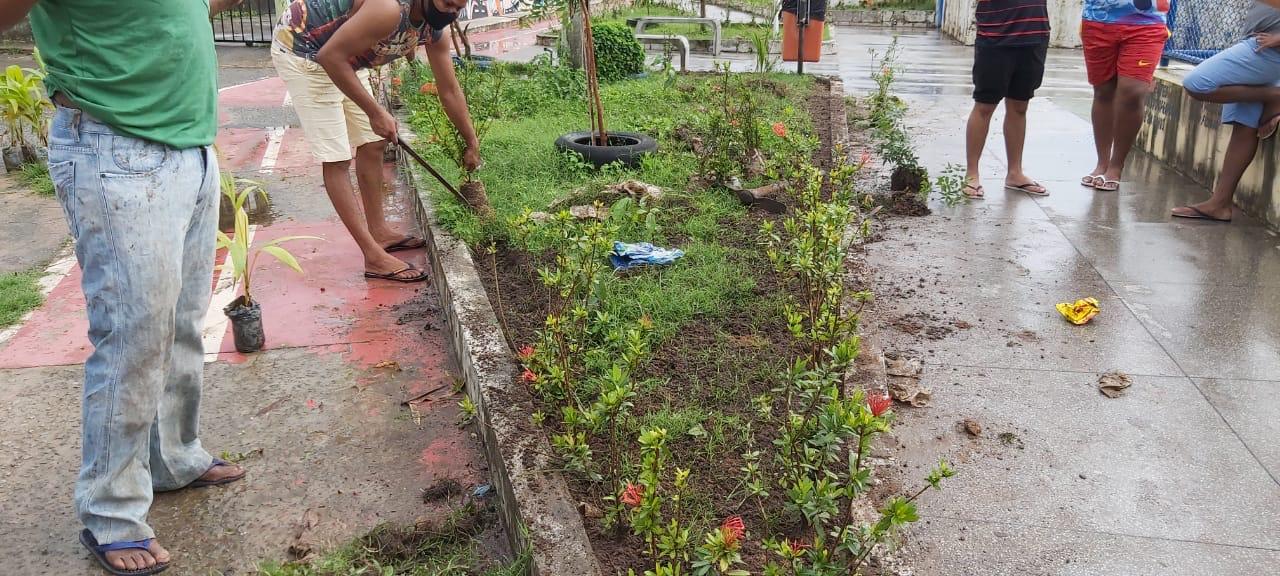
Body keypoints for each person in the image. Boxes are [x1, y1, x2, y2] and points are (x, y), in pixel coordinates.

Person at [1, 0, 248, 574]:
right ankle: (111, 513)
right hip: (115, 145)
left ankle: (173, 458)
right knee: (133, 338)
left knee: (181, 324)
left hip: (189, 147)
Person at [272, 0, 479, 283]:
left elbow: (450, 90)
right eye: (447, 3)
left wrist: (471, 140)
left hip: (344, 53)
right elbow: (330, 57)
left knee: (373, 142)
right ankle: (373, 256)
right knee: (337, 157)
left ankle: (379, 232)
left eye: (458, 8)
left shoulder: (434, 30)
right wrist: (375, 112)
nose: (451, 13)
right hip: (305, 49)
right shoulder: (389, 10)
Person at [1172, 1, 1280, 223]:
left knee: (1196, 83)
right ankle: (1220, 204)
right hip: (1262, 45)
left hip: (1268, 50)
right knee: (1245, 125)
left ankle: (1274, 95)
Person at [962, 0, 1052, 199]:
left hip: (1034, 34)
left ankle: (1015, 173)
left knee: (1020, 106)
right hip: (996, 36)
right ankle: (972, 174)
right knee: (985, 105)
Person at [1080, 0, 1170, 192]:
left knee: (1132, 92)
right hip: (1098, 18)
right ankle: (1102, 163)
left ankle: (1116, 166)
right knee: (1103, 91)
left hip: (1148, 21)